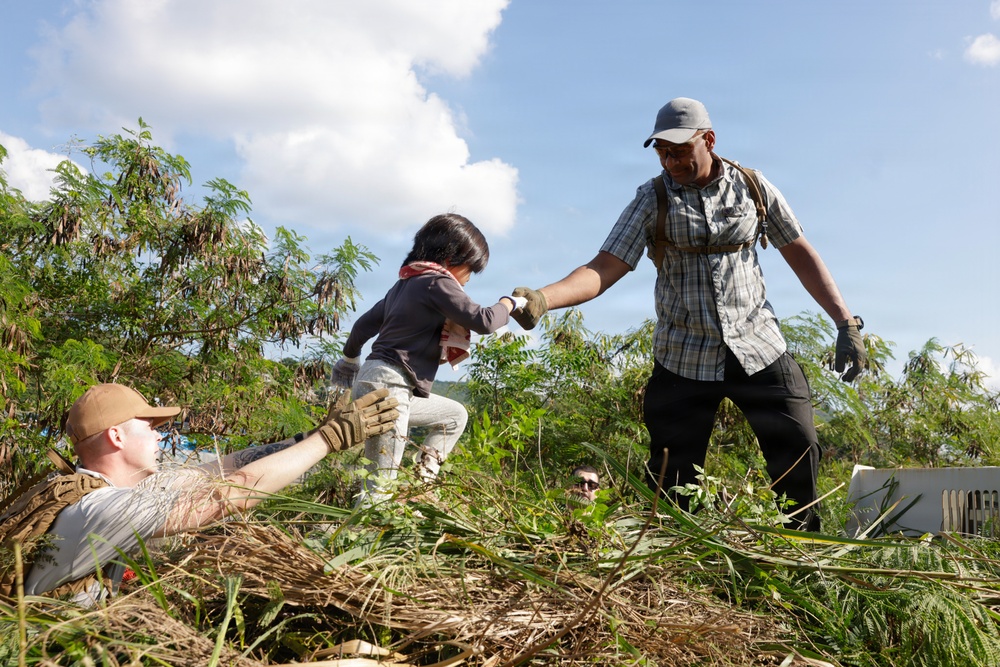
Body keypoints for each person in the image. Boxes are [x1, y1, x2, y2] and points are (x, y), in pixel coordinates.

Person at [512, 98, 866, 531]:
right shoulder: (652, 199)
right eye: (662, 151)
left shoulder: (752, 187)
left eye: (680, 150)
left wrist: (845, 321)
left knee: (798, 446)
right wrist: (543, 299)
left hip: (759, 346)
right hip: (683, 356)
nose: (670, 160)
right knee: (672, 480)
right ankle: (672, 566)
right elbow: (604, 267)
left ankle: (802, 552)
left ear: (709, 140)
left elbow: (799, 252)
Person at [14, 382, 398, 603]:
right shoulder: (99, 509)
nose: (159, 434)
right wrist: (330, 441)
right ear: (116, 436)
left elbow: (221, 470)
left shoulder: (102, 493)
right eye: (149, 425)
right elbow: (231, 494)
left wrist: (310, 437)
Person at [329, 213, 526, 506]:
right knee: (379, 489)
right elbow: (483, 320)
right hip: (389, 385)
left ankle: (422, 485)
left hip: (383, 382)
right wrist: (510, 303)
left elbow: (362, 326)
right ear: (451, 258)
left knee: (454, 416)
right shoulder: (436, 282)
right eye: (470, 269)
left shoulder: (404, 286)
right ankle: (358, 545)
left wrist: (349, 361)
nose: (469, 278)